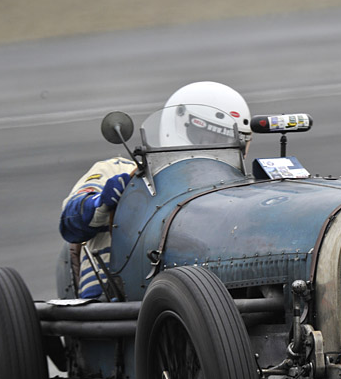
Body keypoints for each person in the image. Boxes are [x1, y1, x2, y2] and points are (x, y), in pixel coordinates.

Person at [59, 81, 251, 299]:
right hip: (114, 304)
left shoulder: (241, 189)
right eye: (207, 138)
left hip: (212, 300)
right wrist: (100, 203)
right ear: (178, 126)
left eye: (229, 141)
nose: (217, 147)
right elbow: (69, 224)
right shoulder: (117, 170)